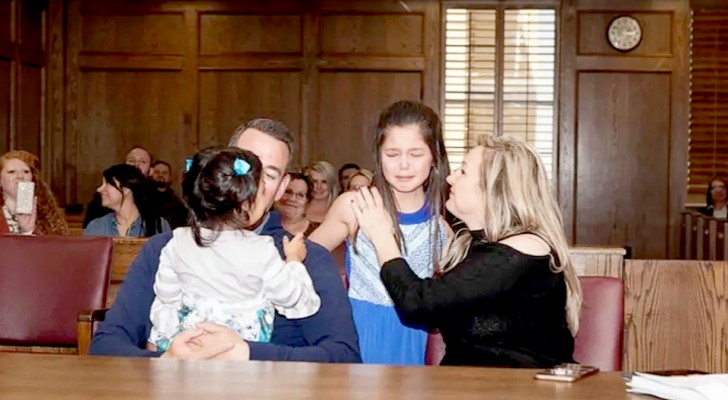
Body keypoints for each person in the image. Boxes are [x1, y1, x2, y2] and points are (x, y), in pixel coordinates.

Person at [90, 118, 360, 362]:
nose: (254, 187)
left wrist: (247, 352)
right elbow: (105, 346)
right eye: (244, 170)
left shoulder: (304, 257)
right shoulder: (165, 248)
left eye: (269, 175)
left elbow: (343, 357)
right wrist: (165, 361)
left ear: (281, 187)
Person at [351, 134, 582, 368]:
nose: (450, 178)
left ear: (493, 188)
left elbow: (418, 304)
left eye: (463, 171)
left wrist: (381, 236)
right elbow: (436, 314)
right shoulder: (474, 246)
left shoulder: (524, 248)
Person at [309, 100, 451, 365]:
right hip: (358, 335)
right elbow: (302, 260)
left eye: (416, 154)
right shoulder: (355, 206)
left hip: (414, 341)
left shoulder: (441, 228)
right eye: (392, 154)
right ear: (378, 155)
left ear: (434, 157)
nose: (404, 166)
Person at [148, 147, 320, 352]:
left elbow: (166, 294)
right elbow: (290, 297)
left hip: (188, 343)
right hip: (236, 350)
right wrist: (293, 260)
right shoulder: (261, 249)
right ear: (247, 202)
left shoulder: (177, 241)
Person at [84, 164, 171, 237]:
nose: (99, 189)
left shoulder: (159, 226)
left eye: (107, 184)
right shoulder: (96, 227)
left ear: (126, 189)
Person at [83, 146, 154, 228]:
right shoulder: (102, 198)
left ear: (151, 170)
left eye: (143, 162)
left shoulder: (158, 199)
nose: (136, 165)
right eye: (132, 161)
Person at [0, 150, 68, 235]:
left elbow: (58, 246)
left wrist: (28, 231)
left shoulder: (48, 215)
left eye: (26, 172)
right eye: (11, 172)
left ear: (33, 179)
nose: (20, 176)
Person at [276, 172, 319, 237]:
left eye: (300, 195)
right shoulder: (262, 225)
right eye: (287, 192)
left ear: (307, 201)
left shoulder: (318, 231)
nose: (292, 199)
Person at [150, 160, 189, 228]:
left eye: (164, 173)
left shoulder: (177, 202)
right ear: (151, 174)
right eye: (157, 172)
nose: (160, 175)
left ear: (170, 177)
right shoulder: (143, 198)